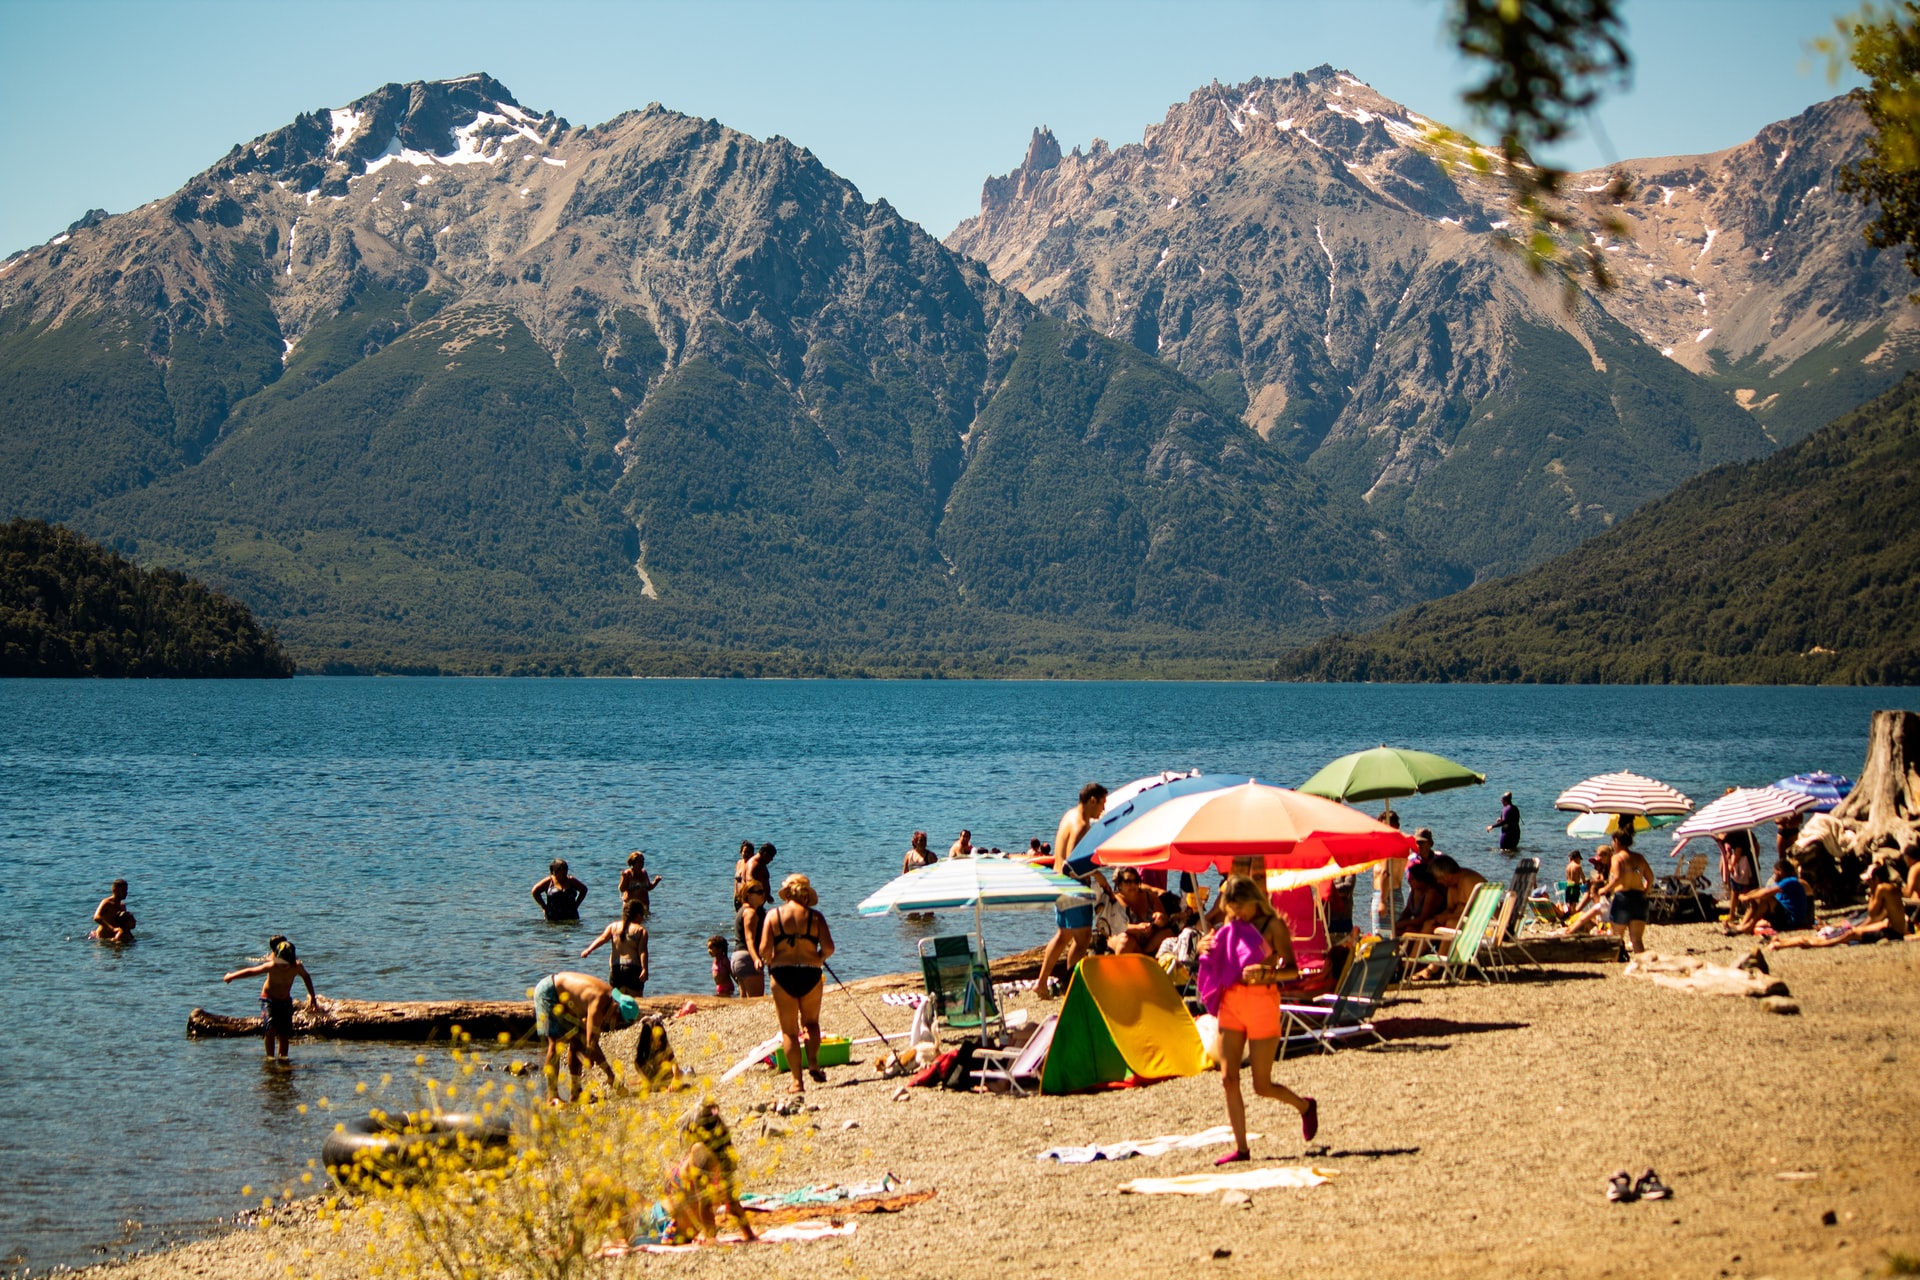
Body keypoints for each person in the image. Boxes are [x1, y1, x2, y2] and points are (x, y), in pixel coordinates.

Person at [1195, 875, 1318, 1164]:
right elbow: (1221, 958)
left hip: (1262, 1002)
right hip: (1231, 1003)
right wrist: (1202, 948)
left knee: (1262, 1085)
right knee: (1228, 1078)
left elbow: (1293, 970)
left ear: (1253, 900)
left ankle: (1304, 1107)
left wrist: (1267, 973)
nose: (1236, 913)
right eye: (1231, 908)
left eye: (1240, 907)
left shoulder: (1273, 926)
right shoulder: (1232, 925)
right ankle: (1242, 1149)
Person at [633, 1103, 755, 1246]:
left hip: (661, 1224)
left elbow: (705, 1200)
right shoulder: (723, 1153)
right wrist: (749, 1235)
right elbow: (732, 1204)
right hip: (664, 1224)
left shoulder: (700, 1151)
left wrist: (711, 1238)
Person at [758, 873, 835, 1094]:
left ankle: (797, 1082)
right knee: (811, 1023)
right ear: (806, 895)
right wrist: (818, 958)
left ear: (786, 894)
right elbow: (829, 948)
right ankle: (813, 1063)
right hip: (810, 973)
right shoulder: (816, 917)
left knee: (789, 1031)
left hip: (783, 974)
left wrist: (772, 959)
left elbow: (764, 950)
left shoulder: (773, 915)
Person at [1035, 783, 1110, 999]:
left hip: (1058, 882)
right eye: (1102, 803)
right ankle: (1072, 986)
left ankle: (1042, 983)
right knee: (1083, 938)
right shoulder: (1081, 825)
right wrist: (1098, 874)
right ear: (1092, 800)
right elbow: (1072, 864)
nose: (1103, 809)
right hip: (1073, 887)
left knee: (1064, 935)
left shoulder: (1070, 815)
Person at [531, 970, 640, 1103]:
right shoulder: (599, 1002)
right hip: (549, 992)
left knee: (577, 1042)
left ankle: (575, 1093)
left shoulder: (612, 998)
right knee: (556, 1044)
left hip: (565, 998)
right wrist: (612, 1078)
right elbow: (591, 1045)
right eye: (617, 1019)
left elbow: (588, 1041)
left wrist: (590, 1054)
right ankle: (552, 1097)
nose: (614, 1022)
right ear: (616, 1006)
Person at [223, 935, 319, 1063]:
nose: (283, 966)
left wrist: (312, 996)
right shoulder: (271, 966)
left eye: (286, 963)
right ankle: (270, 1058)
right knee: (271, 1028)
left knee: (284, 1033)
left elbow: (306, 977)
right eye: (280, 962)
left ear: (292, 960)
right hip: (269, 1000)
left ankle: (283, 1058)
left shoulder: (297, 967)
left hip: (285, 1001)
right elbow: (251, 971)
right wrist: (231, 976)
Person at [1775, 863, 1909, 948]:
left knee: (1849, 934)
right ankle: (1784, 942)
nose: (1868, 884)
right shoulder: (1888, 890)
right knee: (1848, 931)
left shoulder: (1882, 889)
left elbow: (1873, 913)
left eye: (1869, 881)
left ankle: (1822, 944)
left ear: (1877, 879)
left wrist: (1873, 892)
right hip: (1891, 929)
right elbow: (1875, 917)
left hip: (1894, 934)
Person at [1598, 829, 1655, 955]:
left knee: (1616, 939)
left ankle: (1614, 963)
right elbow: (1650, 878)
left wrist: (1604, 889)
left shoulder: (1617, 858)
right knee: (1637, 940)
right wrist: (1645, 892)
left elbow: (1617, 878)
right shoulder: (1639, 858)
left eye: (1612, 841)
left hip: (1623, 899)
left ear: (1616, 841)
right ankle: (1643, 964)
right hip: (1639, 898)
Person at [1729, 860, 1815, 936]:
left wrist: (1747, 897)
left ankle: (1749, 926)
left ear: (1782, 872)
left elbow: (1766, 893)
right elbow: (1761, 890)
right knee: (1756, 896)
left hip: (1790, 921)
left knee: (1765, 898)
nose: (1775, 877)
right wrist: (1748, 895)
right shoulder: (1782, 883)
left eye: (1777, 874)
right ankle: (1743, 924)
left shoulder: (1791, 881)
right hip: (1783, 917)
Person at [581, 902, 649, 995]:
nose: (643, 919)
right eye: (642, 915)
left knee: (615, 999)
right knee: (635, 1000)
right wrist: (645, 969)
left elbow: (602, 938)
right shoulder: (640, 930)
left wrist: (588, 950)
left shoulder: (613, 926)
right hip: (632, 969)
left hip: (616, 968)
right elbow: (643, 951)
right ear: (637, 915)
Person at [1110, 869, 1171, 955]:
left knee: (1168, 933)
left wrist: (1161, 919)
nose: (1133, 885)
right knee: (1125, 940)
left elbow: (1165, 920)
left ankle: (1148, 957)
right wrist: (1137, 928)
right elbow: (1114, 925)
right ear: (1119, 884)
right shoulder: (1114, 900)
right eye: (1128, 881)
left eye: (1136, 881)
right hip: (1128, 941)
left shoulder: (1150, 897)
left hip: (1149, 944)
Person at [732, 881, 768, 998]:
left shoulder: (742, 910)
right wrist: (756, 958)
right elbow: (749, 939)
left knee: (744, 1002)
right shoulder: (751, 913)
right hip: (748, 958)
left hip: (737, 958)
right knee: (756, 1001)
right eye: (759, 892)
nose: (763, 895)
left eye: (763, 891)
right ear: (748, 894)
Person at [1372, 819, 1408, 936]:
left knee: (1380, 937)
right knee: (1393, 935)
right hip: (1397, 894)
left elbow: (1385, 872)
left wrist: (1382, 901)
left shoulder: (1387, 846)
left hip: (1385, 895)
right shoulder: (1402, 845)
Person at [1717, 829, 1760, 920]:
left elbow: (1738, 852)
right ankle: (1734, 913)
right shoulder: (1747, 831)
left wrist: (1731, 866)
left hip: (1744, 864)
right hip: (1750, 861)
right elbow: (1757, 846)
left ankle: (1744, 914)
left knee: (1741, 889)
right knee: (1739, 889)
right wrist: (1755, 859)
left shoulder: (1733, 835)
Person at [619, 851, 662, 921]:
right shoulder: (628, 874)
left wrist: (656, 881)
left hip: (644, 906)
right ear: (633, 862)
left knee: (645, 924)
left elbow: (648, 888)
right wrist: (624, 878)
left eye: (643, 861)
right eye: (640, 861)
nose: (642, 863)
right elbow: (621, 889)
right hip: (631, 907)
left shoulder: (644, 873)